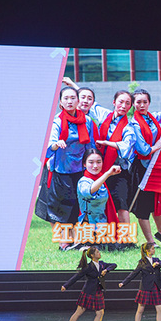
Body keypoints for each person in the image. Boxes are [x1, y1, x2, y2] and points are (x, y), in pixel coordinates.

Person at [35, 87, 96, 250]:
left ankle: (77, 241)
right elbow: (48, 145)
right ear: (60, 103)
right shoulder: (56, 121)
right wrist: (56, 144)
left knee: (78, 205)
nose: (70, 101)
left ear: (78, 101)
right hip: (61, 170)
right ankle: (63, 243)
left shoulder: (87, 121)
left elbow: (90, 146)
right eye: (66, 98)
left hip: (80, 170)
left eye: (73, 98)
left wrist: (92, 165)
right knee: (60, 207)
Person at [128, 89, 161, 247]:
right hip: (141, 168)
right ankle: (150, 241)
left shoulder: (151, 117)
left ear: (149, 103)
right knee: (143, 206)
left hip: (155, 166)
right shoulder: (134, 123)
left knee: (156, 202)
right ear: (133, 104)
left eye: (145, 102)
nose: (141, 105)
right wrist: (157, 147)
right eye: (138, 102)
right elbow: (143, 149)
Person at [95, 90, 136, 228]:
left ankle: (126, 237)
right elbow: (89, 102)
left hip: (118, 171)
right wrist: (72, 85)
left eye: (127, 103)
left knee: (121, 205)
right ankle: (103, 235)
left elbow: (126, 146)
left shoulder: (129, 126)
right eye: (121, 102)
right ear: (114, 102)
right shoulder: (104, 115)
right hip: (99, 170)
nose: (123, 106)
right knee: (99, 205)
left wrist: (106, 143)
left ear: (130, 107)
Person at [61, 246, 117, 321]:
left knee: (100, 312)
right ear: (92, 255)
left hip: (98, 291)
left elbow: (114, 265)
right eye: (97, 252)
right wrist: (66, 285)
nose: (99, 253)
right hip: (88, 292)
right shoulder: (88, 267)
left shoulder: (102, 264)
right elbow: (77, 276)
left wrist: (106, 270)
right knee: (79, 312)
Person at [118, 242, 161, 321]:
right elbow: (134, 273)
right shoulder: (142, 262)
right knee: (140, 309)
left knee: (159, 308)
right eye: (152, 249)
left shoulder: (156, 260)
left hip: (155, 286)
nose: (154, 250)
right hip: (145, 287)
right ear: (147, 250)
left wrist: (158, 264)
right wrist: (124, 282)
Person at [77, 148, 120, 226]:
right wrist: (107, 174)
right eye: (91, 162)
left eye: (98, 162)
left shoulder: (101, 181)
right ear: (84, 164)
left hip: (102, 224)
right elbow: (89, 191)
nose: (95, 166)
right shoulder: (83, 181)